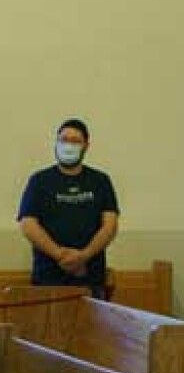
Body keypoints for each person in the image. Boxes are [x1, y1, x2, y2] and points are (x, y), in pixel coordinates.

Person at [17, 119, 119, 298]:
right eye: (64, 140)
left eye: (75, 141)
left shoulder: (101, 181)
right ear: (56, 143)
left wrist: (84, 256)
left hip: (90, 279)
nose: (68, 145)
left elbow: (109, 226)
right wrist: (60, 254)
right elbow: (28, 224)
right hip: (47, 279)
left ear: (86, 146)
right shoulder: (39, 181)